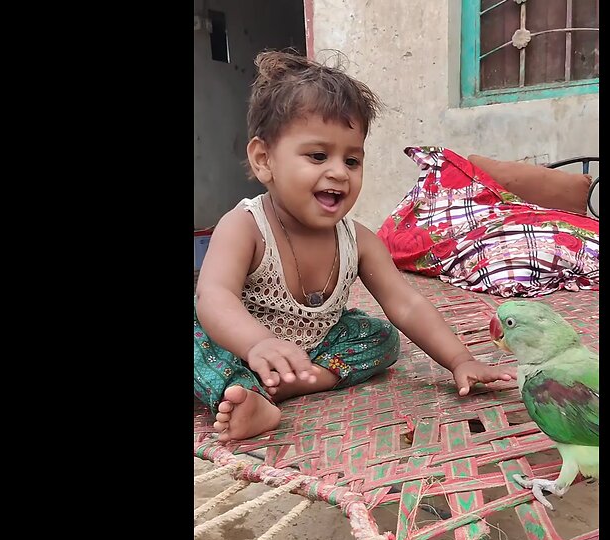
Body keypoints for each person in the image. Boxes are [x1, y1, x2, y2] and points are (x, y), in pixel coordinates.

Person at [194, 50, 512, 442]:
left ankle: (293, 384)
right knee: (197, 343)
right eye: (317, 156)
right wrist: (257, 343)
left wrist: (460, 359)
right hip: (243, 348)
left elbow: (406, 304)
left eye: (352, 160)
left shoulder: (358, 240)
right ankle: (249, 394)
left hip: (316, 347)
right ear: (264, 160)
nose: (338, 172)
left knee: (380, 337)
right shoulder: (244, 226)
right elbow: (213, 296)